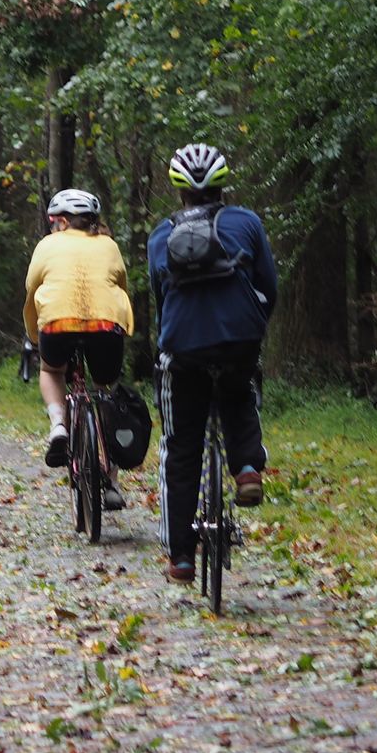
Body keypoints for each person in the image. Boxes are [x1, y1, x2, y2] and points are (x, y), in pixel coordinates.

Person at [146, 143, 278, 584]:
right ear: (221, 185)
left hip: (184, 352)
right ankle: (246, 469)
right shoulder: (247, 223)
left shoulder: (160, 237)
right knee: (240, 393)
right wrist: (251, 329)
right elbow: (268, 286)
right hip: (238, 340)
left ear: (179, 190)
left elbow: (161, 302)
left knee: (181, 451)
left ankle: (181, 558)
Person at [23, 187, 136, 511]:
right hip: (105, 325)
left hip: (57, 323)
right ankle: (112, 482)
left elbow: (32, 292)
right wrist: (124, 328)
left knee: (51, 369)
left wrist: (33, 335)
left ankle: (58, 424)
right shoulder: (109, 245)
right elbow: (121, 288)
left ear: (58, 221)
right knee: (105, 393)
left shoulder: (47, 245)